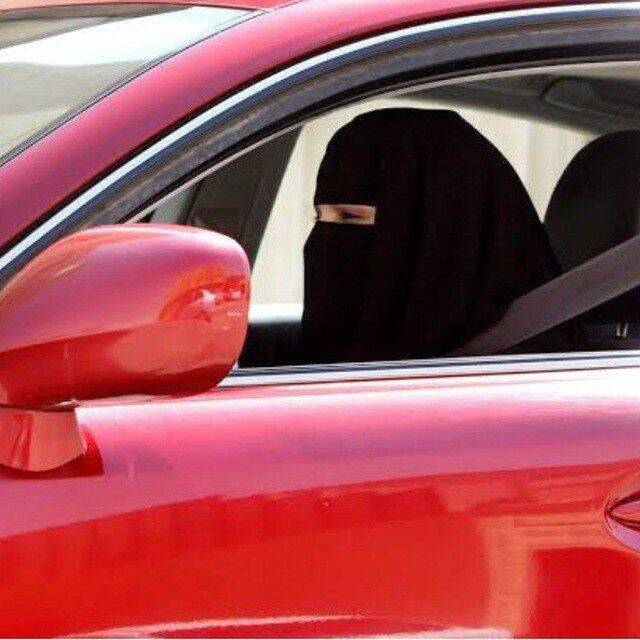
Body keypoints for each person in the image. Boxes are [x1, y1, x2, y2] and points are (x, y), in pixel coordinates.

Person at [301, 108, 560, 363]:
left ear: (441, 227)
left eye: (349, 217)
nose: (323, 240)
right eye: (319, 217)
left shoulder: (524, 369)